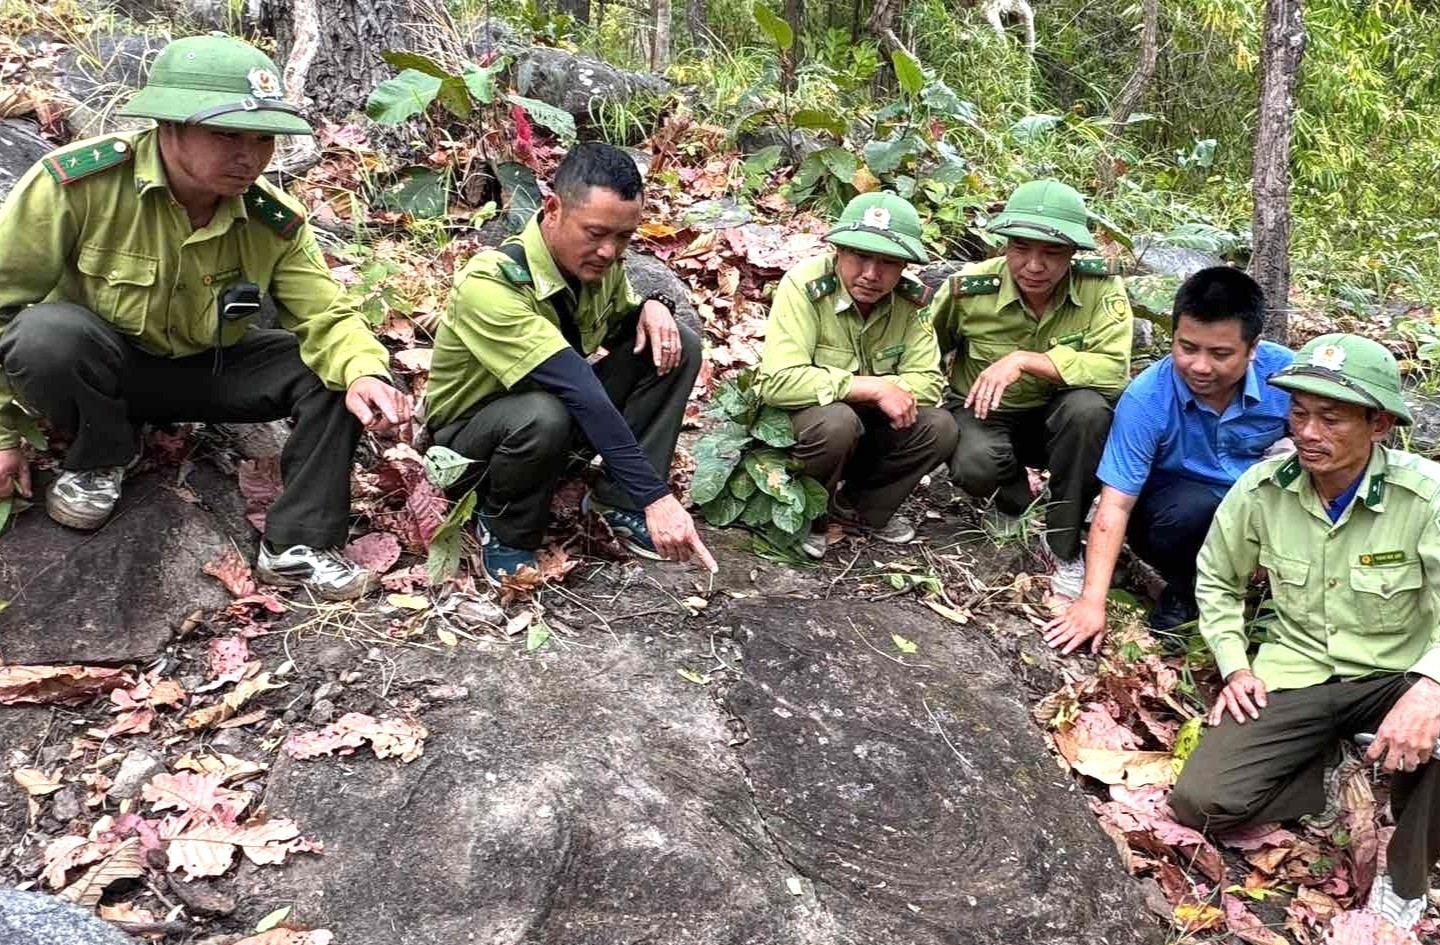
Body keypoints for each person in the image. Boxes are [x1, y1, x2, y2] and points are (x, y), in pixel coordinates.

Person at [0, 34, 412, 600]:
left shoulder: (273, 220)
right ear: (168, 127)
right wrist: (4, 433)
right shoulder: (78, 185)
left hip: (208, 371)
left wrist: (366, 370)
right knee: (45, 334)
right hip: (104, 369)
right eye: (225, 135)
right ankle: (102, 455)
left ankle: (298, 545)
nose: (250, 156)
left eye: (264, 138)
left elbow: (326, 315)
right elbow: (2, 299)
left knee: (331, 369)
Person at [1168, 334, 1440, 930]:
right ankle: (1324, 778)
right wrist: (1235, 663)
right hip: (1295, 669)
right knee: (1200, 803)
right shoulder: (1262, 489)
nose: (1308, 432)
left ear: (1378, 425)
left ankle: (1406, 879)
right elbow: (1216, 581)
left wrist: (1430, 690)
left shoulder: (1426, 495)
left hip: (1394, 675)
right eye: (1299, 414)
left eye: (1331, 418)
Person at [425, 142, 715, 580]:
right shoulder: (490, 283)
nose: (609, 252)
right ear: (553, 208)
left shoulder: (596, 270)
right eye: (596, 234)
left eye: (624, 237)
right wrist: (657, 496)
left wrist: (655, 305)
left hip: (550, 428)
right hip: (469, 449)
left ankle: (617, 501)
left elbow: (623, 330)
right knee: (544, 412)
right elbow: (578, 386)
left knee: (678, 346)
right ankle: (505, 531)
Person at [1044, 267, 1293, 651]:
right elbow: (1115, 506)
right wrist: (1092, 602)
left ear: (1253, 348)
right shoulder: (1148, 398)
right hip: (1173, 517)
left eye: (1221, 353)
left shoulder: (1288, 377)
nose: (1200, 366)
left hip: (1260, 508)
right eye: (1187, 348)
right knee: (1189, 512)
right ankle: (1185, 591)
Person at [928, 179, 1133, 598]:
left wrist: (1026, 360)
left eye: (1052, 252)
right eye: (1020, 248)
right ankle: (1012, 495)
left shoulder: (1099, 289)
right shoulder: (970, 290)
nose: (1034, 266)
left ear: (1074, 254)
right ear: (1004, 245)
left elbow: (1113, 369)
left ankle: (1064, 542)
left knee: (1090, 411)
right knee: (974, 464)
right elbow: (927, 352)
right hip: (985, 412)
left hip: (1058, 419)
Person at [754, 192, 957, 558]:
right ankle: (809, 515)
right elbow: (777, 383)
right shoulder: (804, 285)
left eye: (888, 262)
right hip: (808, 419)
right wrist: (869, 387)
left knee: (940, 427)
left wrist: (882, 394)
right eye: (860, 256)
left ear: (904, 266)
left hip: (870, 422)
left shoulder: (911, 303)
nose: (871, 274)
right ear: (839, 251)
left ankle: (858, 508)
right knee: (837, 422)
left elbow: (929, 383)